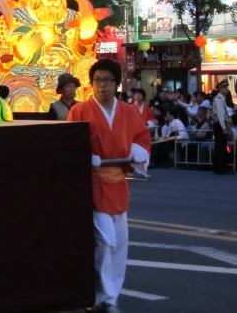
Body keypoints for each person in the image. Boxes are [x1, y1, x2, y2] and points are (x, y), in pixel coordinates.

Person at [67, 59, 150, 313]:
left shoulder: (127, 111)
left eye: (107, 80)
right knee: (105, 242)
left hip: (118, 184)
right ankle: (103, 296)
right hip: (93, 184)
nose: (102, 85)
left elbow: (141, 137)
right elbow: (68, 145)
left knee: (120, 244)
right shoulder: (80, 111)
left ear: (116, 83)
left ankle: (110, 298)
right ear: (91, 84)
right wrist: (84, 155)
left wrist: (138, 152)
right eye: (97, 81)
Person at [211, 80, 233, 174]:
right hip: (220, 124)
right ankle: (220, 167)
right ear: (220, 89)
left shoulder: (220, 99)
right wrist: (224, 127)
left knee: (221, 146)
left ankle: (219, 167)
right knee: (221, 146)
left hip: (219, 124)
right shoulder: (219, 100)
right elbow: (220, 115)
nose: (227, 89)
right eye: (225, 87)